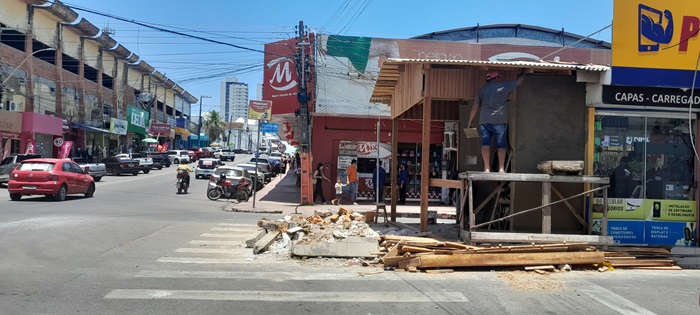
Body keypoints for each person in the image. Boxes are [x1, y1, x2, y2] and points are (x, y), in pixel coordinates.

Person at [467, 69, 526, 173]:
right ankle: (502, 168)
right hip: (499, 121)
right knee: (501, 145)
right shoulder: (504, 86)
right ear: (497, 78)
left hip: (484, 121)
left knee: (485, 144)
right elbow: (519, 82)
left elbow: (475, 107)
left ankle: (486, 168)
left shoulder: (482, 91)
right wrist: (524, 71)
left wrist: (469, 122)